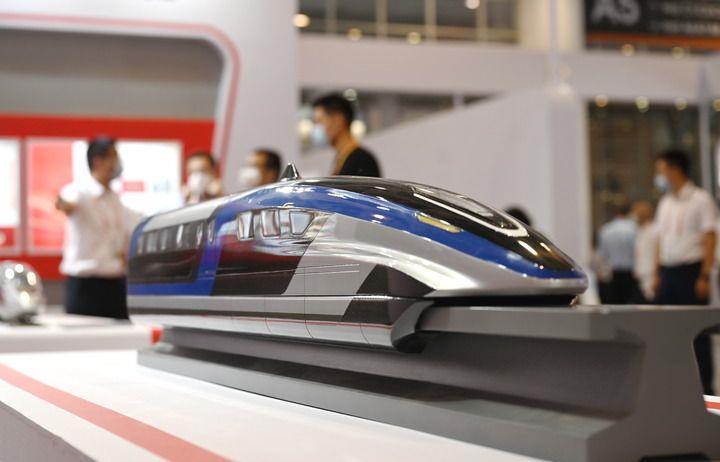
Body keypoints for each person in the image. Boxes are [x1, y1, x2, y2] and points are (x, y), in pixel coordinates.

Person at [653, 149, 717, 395]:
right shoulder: (665, 203)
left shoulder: (700, 199)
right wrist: (657, 273)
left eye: (661, 170)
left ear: (675, 169)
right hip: (668, 272)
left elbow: (710, 236)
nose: (659, 176)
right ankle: (676, 386)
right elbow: (660, 240)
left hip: (691, 271)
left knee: (696, 331)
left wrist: (705, 275)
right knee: (670, 331)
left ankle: (705, 389)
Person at [55, 137, 141, 319]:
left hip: (115, 284)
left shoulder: (114, 200)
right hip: (85, 287)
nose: (117, 163)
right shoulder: (80, 191)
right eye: (113, 157)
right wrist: (65, 205)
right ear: (97, 161)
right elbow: (66, 203)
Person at [312, 93, 381, 177]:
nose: (316, 128)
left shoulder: (362, 161)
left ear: (338, 120)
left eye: (319, 121)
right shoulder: (341, 158)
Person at [597, 200, 638, 304]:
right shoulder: (634, 229)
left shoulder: (605, 229)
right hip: (630, 272)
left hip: (612, 273)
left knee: (614, 304)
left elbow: (602, 255)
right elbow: (636, 252)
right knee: (629, 304)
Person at [631, 200, 657, 303]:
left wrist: (656, 276)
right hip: (642, 275)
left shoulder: (654, 231)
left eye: (635, 214)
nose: (633, 217)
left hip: (651, 275)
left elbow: (656, 255)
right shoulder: (640, 231)